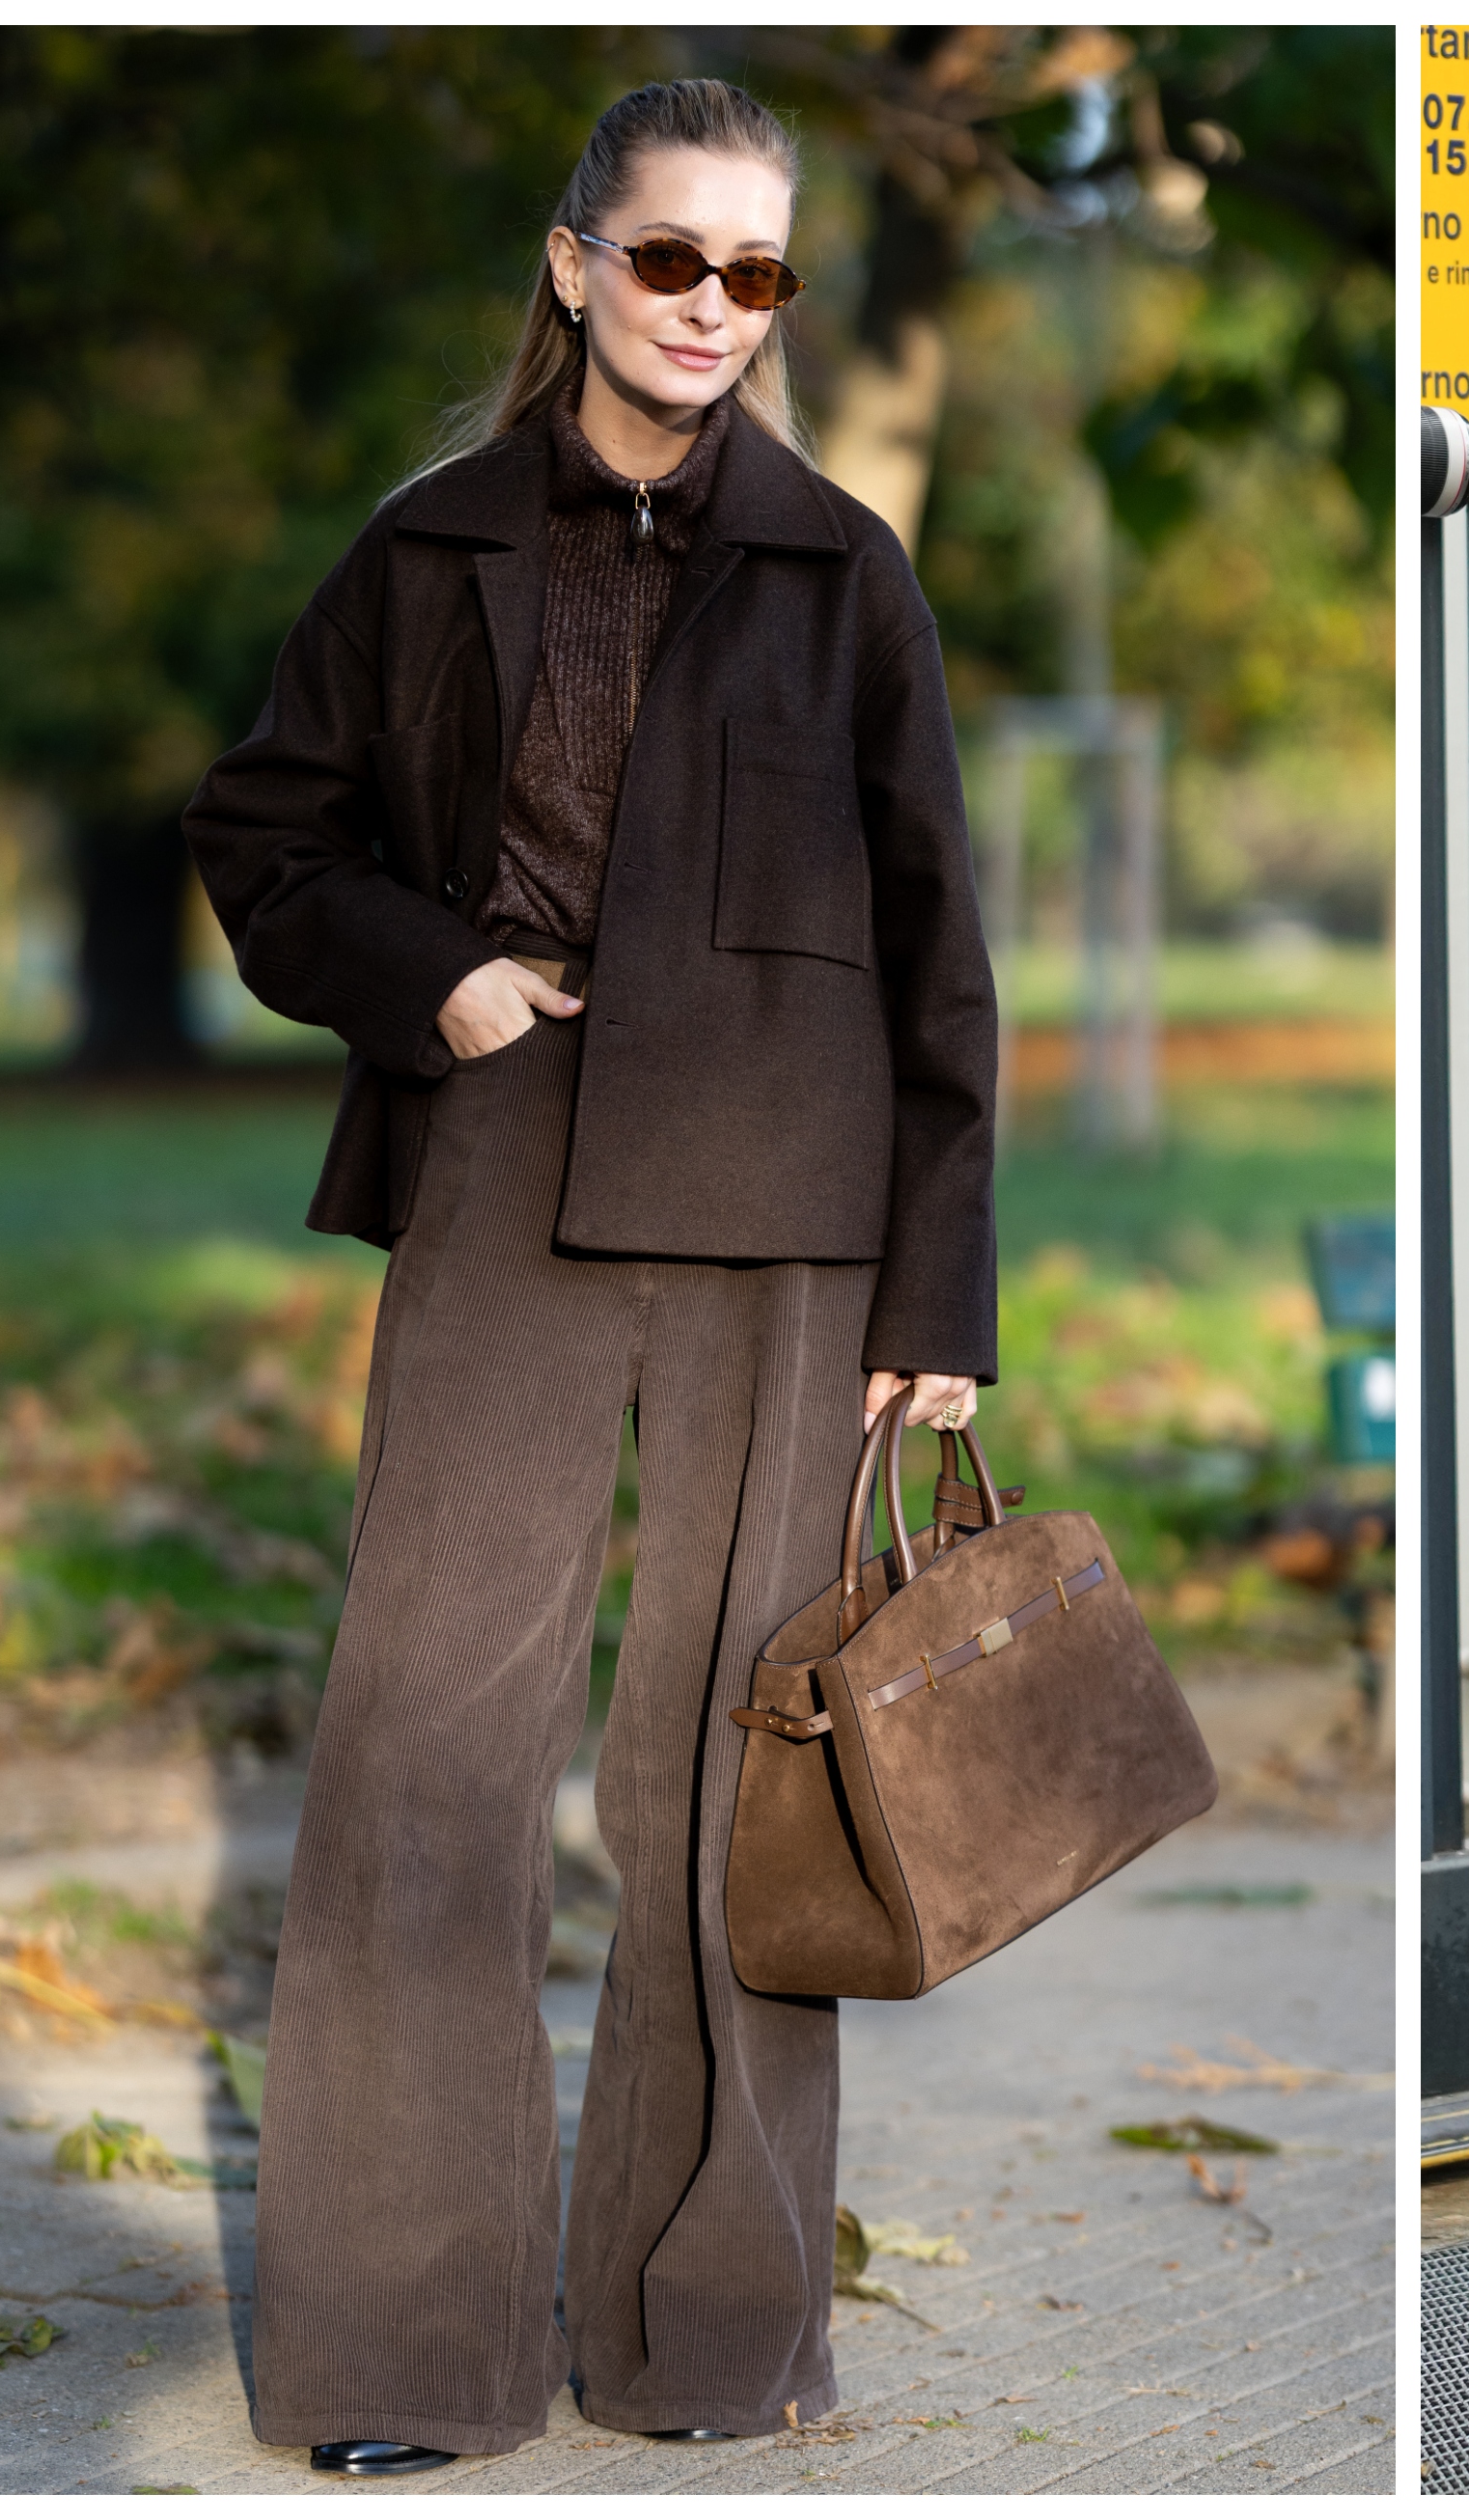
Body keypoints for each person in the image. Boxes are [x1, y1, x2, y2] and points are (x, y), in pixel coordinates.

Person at [182, 79, 995, 2476]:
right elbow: (264, 833)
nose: (714, 310)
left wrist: (938, 1301)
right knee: (423, 1744)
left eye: (758, 273)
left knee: (737, 1778)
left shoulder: (846, 571)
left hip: (797, 1210)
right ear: (572, 265)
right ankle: (397, 2347)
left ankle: (707, 2332)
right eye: (670, 260)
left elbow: (945, 954)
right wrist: (429, 973)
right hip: (504, 1157)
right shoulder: (425, 546)